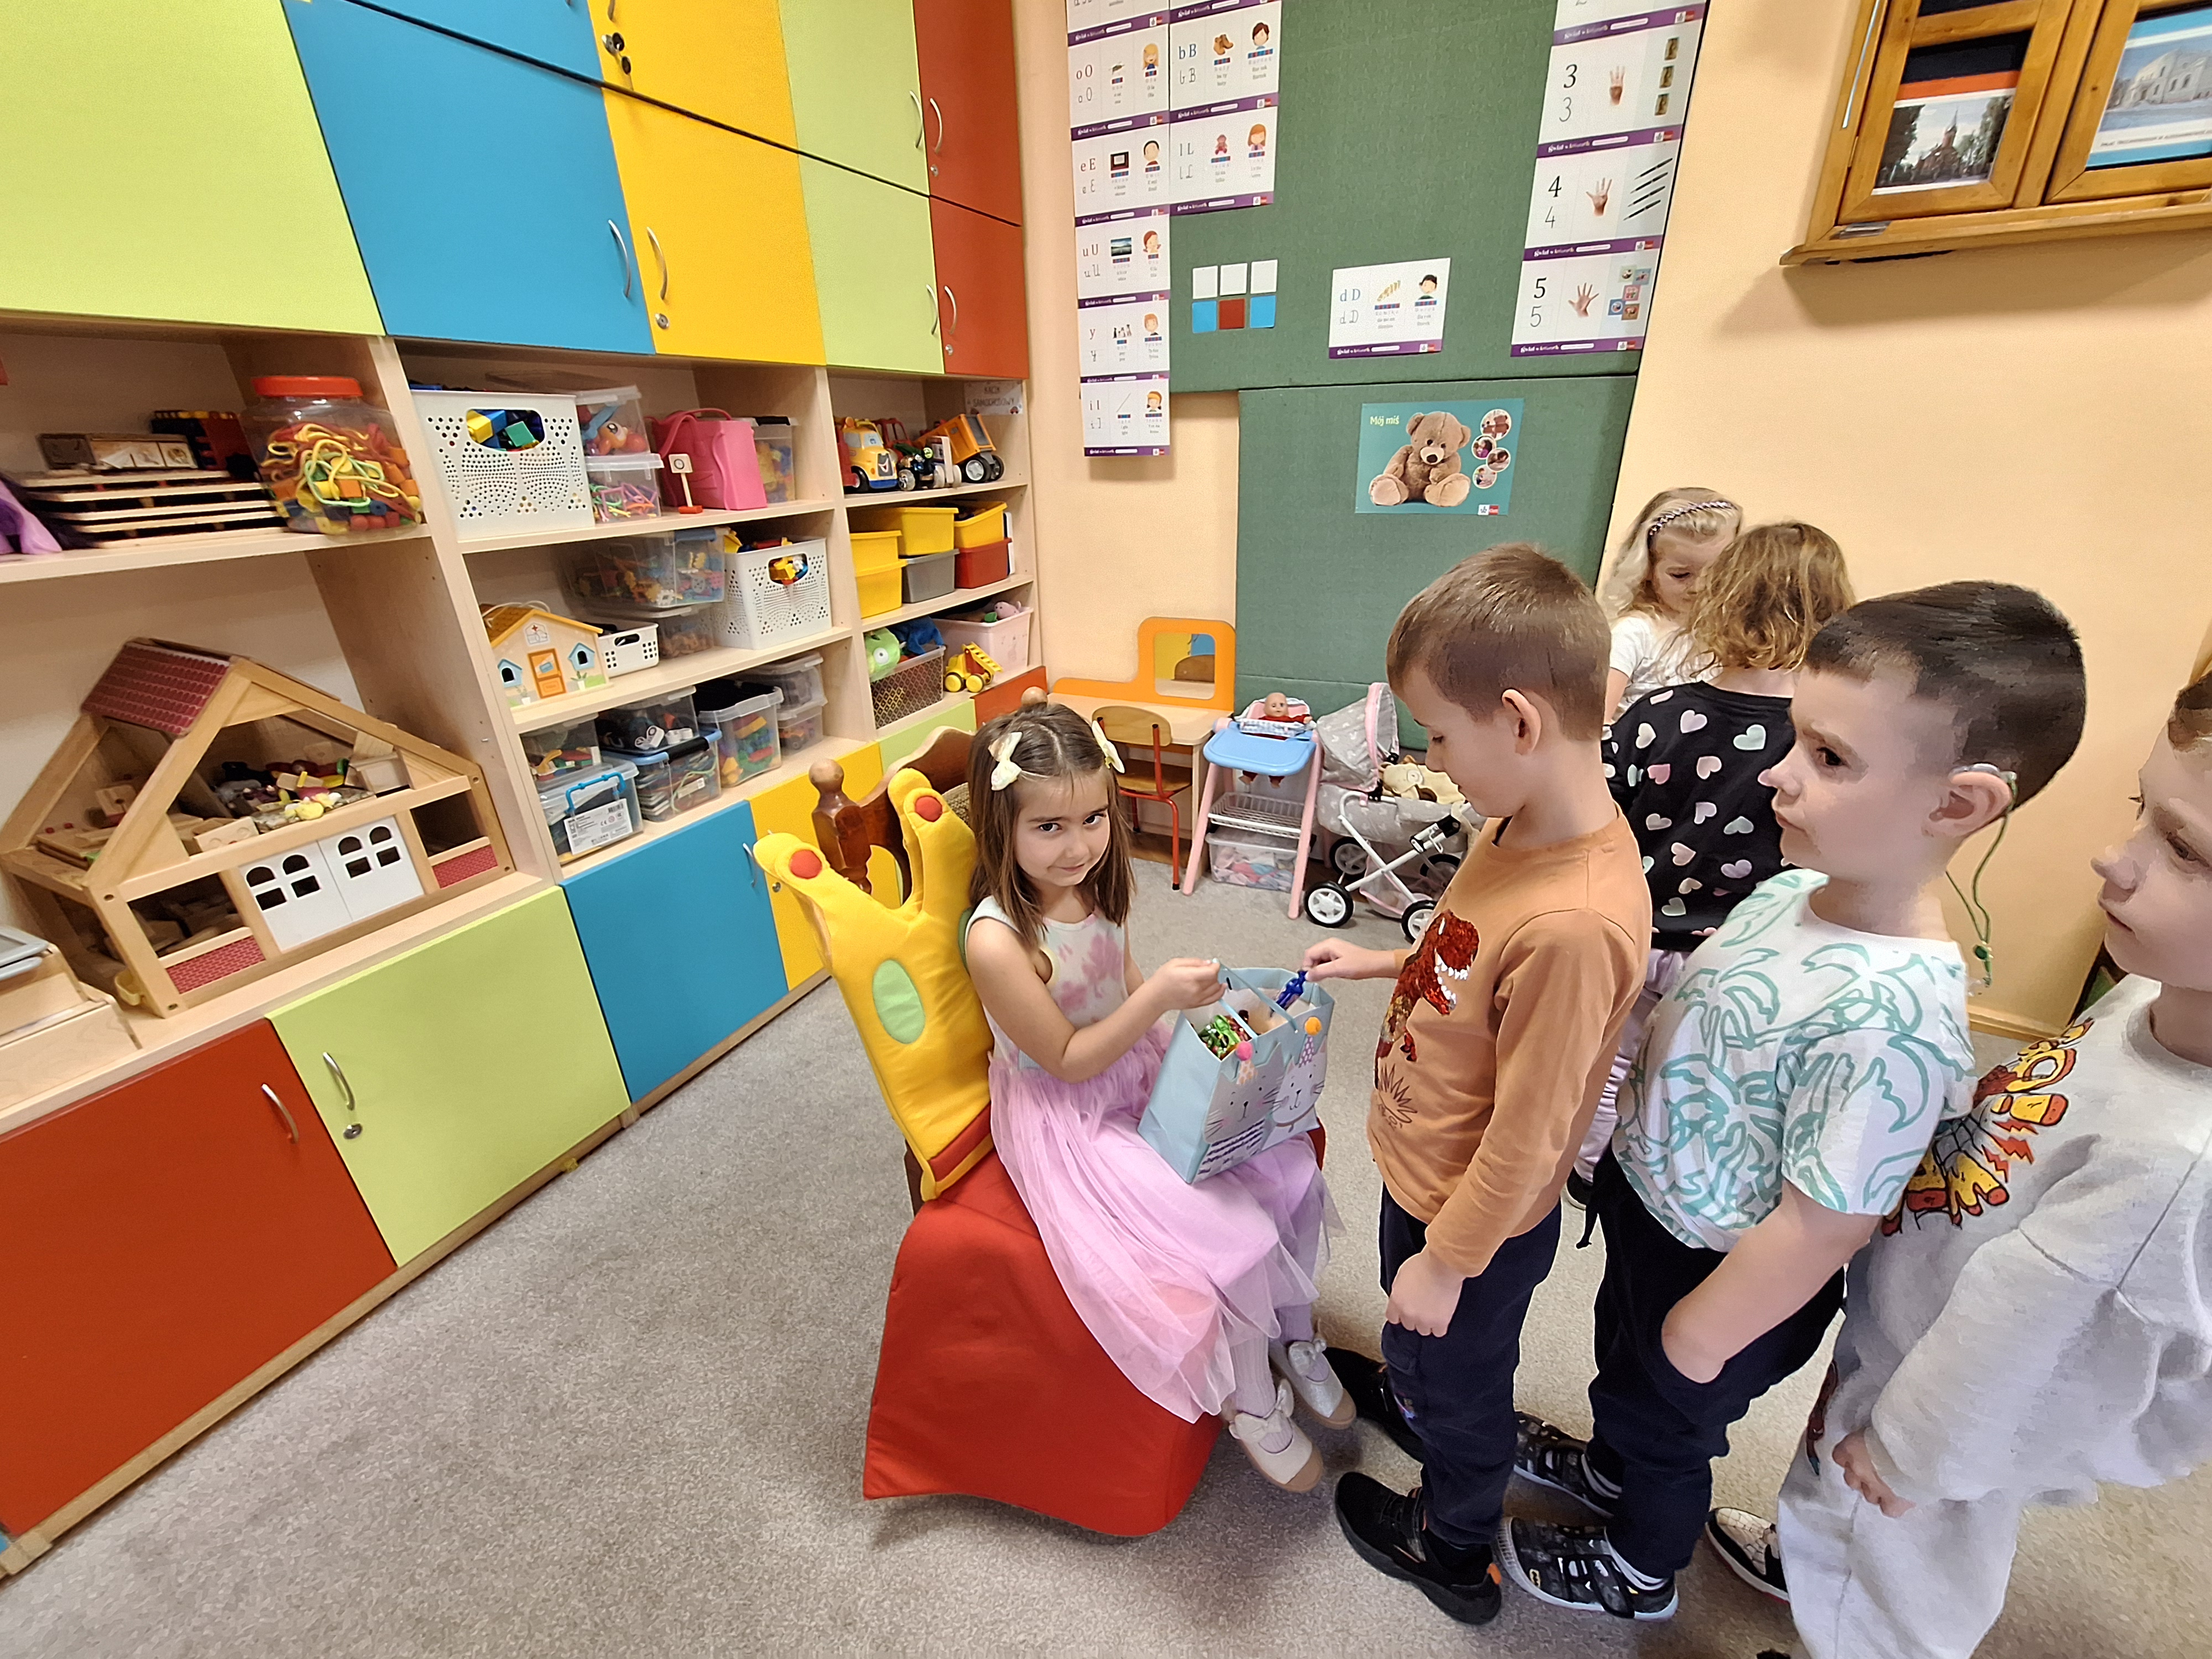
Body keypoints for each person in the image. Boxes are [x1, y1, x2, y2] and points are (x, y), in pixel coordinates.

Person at [1502, 581, 2088, 1623]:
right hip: (1656, 1207)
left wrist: (1706, 1332)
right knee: (1624, 1371)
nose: (1777, 772)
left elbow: (1828, 1220)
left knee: (1672, 1423)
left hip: (1728, 1273)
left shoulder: (1895, 1014)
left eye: (1829, 757)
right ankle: (1607, 1463)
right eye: (1794, 739)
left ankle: (1641, 1568)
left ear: (1956, 805)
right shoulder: (1785, 889)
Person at [1700, 665, 2212, 1659]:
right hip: (1908, 1338)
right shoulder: (2162, 996)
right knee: (1835, 1507)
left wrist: (1912, 1453)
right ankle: (1812, 1562)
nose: (2116, 857)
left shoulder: (2170, 1165)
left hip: (1948, 1418)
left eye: (2185, 849)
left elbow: (2032, 1342)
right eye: (2144, 811)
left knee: (1895, 1578)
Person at [1302, 545, 1650, 1625]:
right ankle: (1413, 1379)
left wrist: (1449, 1264)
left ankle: (1450, 1544)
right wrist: (1384, 962)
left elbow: (1531, 1136)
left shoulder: (1575, 923)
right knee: (1421, 1340)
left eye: (1439, 737)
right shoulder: (1518, 824)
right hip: (1429, 1178)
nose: (1435, 762)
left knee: (1463, 1394)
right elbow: (1468, 953)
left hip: (1475, 1219)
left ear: (1518, 722)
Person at [961, 700, 1343, 1493]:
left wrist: (1209, 1044)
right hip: (1070, 1116)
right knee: (1231, 1232)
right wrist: (1162, 998)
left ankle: (1295, 1335)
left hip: (1132, 1066)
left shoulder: (1092, 888)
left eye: (1094, 819)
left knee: (1291, 1169)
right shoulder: (998, 941)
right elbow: (1067, 1059)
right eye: (1049, 827)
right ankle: (1250, 1405)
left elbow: (1125, 987)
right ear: (1002, 827)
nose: (1079, 846)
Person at [1571, 522, 1855, 1194]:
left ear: (1717, 601)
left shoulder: (1656, 714)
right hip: (1739, 955)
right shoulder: (1818, 747)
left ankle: (1585, 1173)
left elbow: (1594, 814)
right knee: (1696, 1076)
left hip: (1634, 933)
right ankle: (1658, 1179)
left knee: (1606, 1064)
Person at [1598, 488, 1743, 721]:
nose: (1699, 587)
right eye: (1681, 575)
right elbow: (1596, 721)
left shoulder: (1730, 636)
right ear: (1647, 568)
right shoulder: (1634, 633)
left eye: (1716, 573)